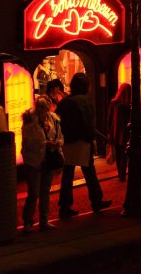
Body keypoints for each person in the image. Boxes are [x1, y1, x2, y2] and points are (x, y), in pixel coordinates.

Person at [57, 73, 111, 218]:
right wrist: (91, 139)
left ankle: (65, 206)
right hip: (82, 141)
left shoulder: (65, 102)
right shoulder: (85, 101)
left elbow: (58, 119)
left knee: (67, 174)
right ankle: (96, 201)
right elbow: (88, 124)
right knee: (89, 172)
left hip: (67, 142)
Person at [21, 96, 63, 233]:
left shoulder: (54, 119)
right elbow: (28, 142)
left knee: (45, 192)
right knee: (33, 193)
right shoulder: (29, 120)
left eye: (45, 108)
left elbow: (60, 137)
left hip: (48, 160)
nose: (43, 111)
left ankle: (44, 221)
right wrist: (46, 143)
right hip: (33, 161)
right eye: (40, 108)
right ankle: (28, 222)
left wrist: (57, 143)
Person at [107, 83, 132, 182]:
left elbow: (109, 119)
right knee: (124, 154)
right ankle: (122, 173)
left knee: (118, 154)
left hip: (116, 132)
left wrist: (109, 131)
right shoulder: (129, 105)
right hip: (126, 132)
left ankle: (120, 174)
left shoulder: (114, 103)